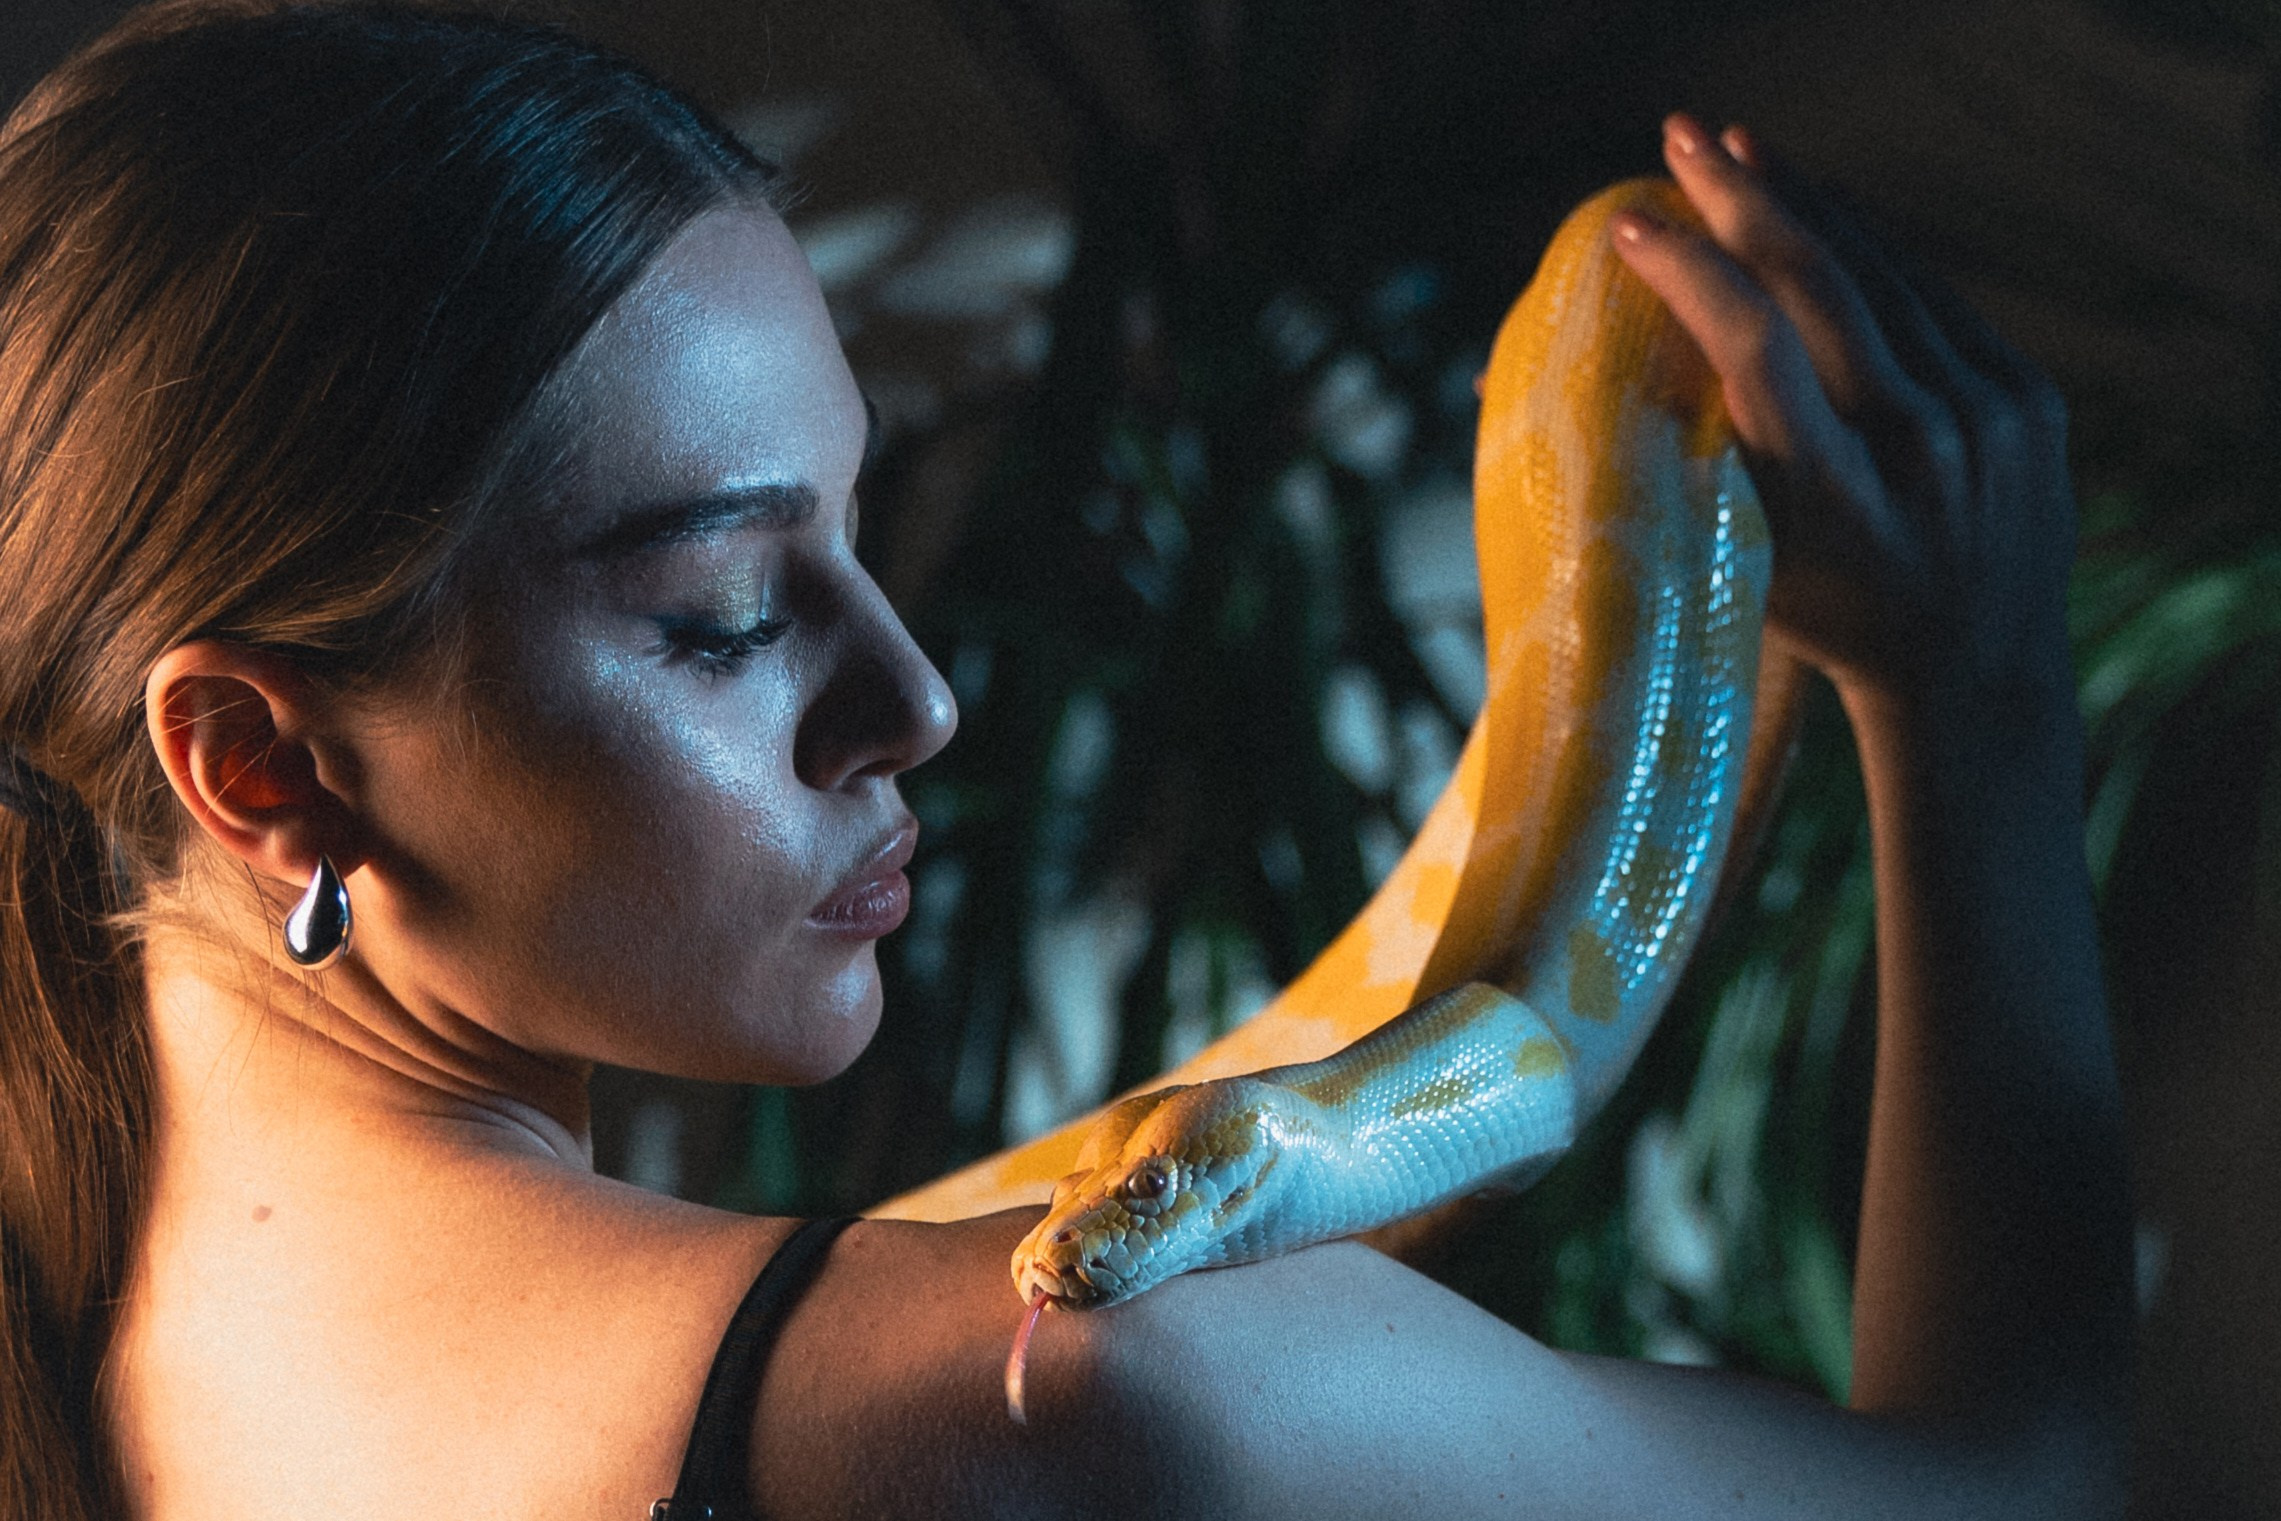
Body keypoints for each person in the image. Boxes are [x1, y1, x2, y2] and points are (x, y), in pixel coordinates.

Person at [0, 2, 2130, 1516]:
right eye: (729, 610)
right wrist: (1970, 703)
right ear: (255, 762)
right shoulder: (1074, 1400)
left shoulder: (75, 1385)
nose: (913, 698)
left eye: (863, 527)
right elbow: (2018, 1485)